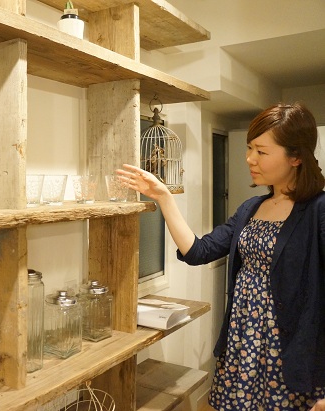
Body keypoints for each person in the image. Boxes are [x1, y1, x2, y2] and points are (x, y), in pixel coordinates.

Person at [118, 102, 325, 411]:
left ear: (296, 157)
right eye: (249, 148)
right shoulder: (251, 209)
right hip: (243, 339)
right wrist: (164, 197)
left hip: (289, 349)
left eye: (261, 151)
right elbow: (197, 251)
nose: (250, 158)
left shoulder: (318, 210)